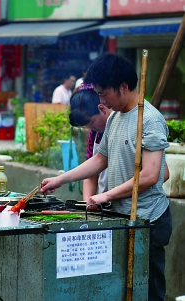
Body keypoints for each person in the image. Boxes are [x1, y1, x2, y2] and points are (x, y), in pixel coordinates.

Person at [41, 53, 172, 301]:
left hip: (149, 219)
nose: (101, 100)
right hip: (123, 217)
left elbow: (151, 175)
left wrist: (106, 196)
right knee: (122, 287)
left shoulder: (150, 120)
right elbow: (100, 160)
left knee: (149, 289)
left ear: (123, 87)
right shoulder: (115, 118)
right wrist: (61, 179)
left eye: (104, 93)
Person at [69, 83, 113, 201]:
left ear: (102, 109)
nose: (90, 128)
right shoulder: (95, 134)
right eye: (86, 125)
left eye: (92, 123)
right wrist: (88, 204)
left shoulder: (120, 128)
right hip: (106, 205)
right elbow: (91, 175)